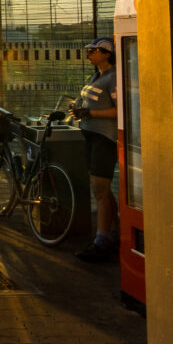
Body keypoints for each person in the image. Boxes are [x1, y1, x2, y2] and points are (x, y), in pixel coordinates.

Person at [71, 37, 119, 263]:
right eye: (88, 50)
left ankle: (101, 241)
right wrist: (81, 111)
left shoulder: (113, 77)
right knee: (102, 190)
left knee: (100, 188)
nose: (89, 53)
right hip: (90, 135)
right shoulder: (96, 76)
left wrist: (91, 114)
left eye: (94, 50)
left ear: (107, 54)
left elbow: (120, 110)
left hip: (103, 138)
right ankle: (114, 232)